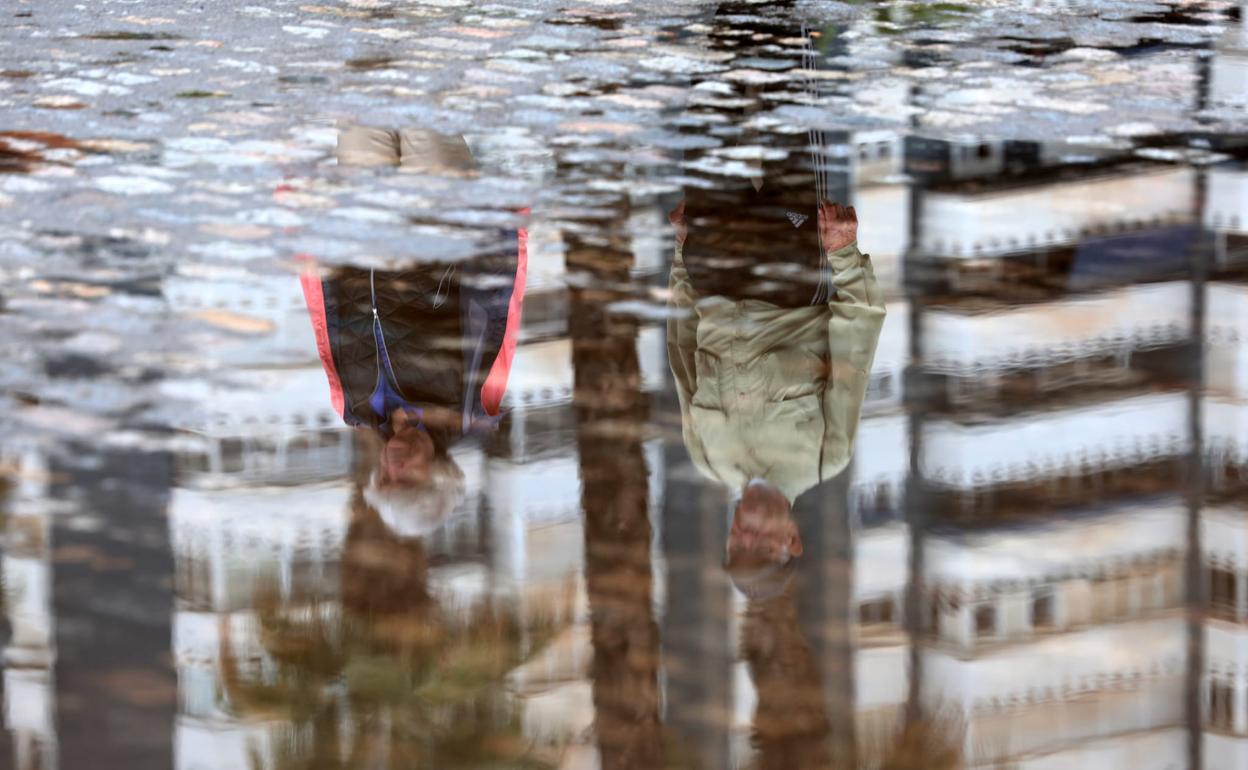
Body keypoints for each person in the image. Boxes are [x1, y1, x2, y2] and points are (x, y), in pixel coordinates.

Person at [300, 124, 528, 536]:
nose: (392, 467)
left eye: (385, 478)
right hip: (438, 212)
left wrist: (309, 241)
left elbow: (327, 319)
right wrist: (504, 227)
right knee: (421, 95)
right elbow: (498, 313)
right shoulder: (471, 404)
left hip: (361, 218)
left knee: (361, 91)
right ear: (439, 473)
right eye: (406, 479)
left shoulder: (357, 407)